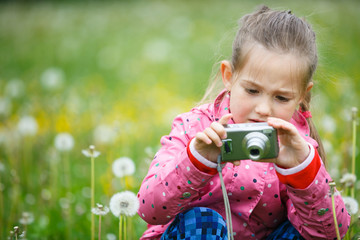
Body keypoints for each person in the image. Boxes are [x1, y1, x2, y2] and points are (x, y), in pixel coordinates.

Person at [137, 5, 351, 240]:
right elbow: (149, 209)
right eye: (252, 90)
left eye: (281, 97)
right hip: (192, 233)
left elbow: (330, 234)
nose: (263, 109)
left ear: (301, 95)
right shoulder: (195, 127)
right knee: (203, 223)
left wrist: (302, 171)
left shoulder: (296, 146)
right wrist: (197, 160)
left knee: (299, 233)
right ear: (228, 77)